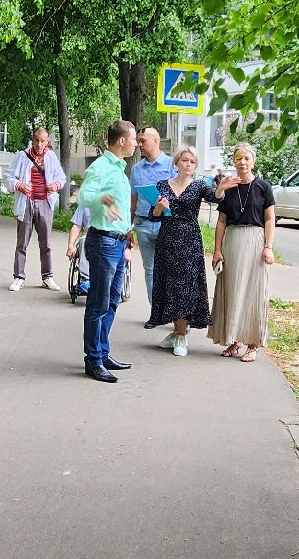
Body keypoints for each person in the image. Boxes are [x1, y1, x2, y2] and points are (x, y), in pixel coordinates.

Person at [76, 120, 138, 383]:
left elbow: (120, 207)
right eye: (133, 139)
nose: (136, 144)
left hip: (118, 243)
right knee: (98, 304)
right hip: (103, 244)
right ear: (121, 141)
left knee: (112, 302)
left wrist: (128, 231)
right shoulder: (101, 166)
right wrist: (103, 199)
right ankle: (93, 361)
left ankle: (102, 353)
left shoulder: (120, 169)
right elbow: (84, 197)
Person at [209, 142, 277, 362]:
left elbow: (270, 219)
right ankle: (235, 338)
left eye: (247, 158)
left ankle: (253, 344)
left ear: (253, 161)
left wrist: (268, 247)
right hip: (233, 241)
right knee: (232, 290)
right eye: (239, 158)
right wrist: (217, 250)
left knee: (253, 291)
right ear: (234, 161)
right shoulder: (229, 187)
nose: (243, 162)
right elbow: (221, 221)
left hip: (255, 241)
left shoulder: (263, 187)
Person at [146, 147, 214, 357]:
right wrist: (159, 208)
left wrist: (221, 188)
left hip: (189, 240)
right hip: (167, 239)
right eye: (185, 160)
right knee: (170, 286)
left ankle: (182, 336)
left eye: (192, 162)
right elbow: (153, 215)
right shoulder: (162, 185)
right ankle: (176, 332)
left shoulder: (199, 186)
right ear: (176, 162)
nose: (188, 164)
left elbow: (216, 197)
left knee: (186, 286)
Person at [3, 127, 66, 292]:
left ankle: (47, 277)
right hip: (26, 203)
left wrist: (55, 185)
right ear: (32, 139)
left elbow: (62, 177)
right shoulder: (23, 156)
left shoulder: (51, 157)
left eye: (43, 141)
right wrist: (19, 185)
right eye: (37, 140)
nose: (39, 144)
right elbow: (7, 175)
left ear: (47, 142)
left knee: (46, 243)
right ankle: (18, 277)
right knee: (22, 242)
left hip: (45, 203)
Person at [128, 127, 174, 324]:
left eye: (143, 141)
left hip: (166, 224)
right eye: (138, 141)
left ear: (156, 141)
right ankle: (156, 313)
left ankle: (177, 316)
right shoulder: (136, 169)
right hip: (143, 224)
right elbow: (133, 200)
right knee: (151, 269)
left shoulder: (172, 164)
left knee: (171, 269)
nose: (139, 144)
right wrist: (128, 227)